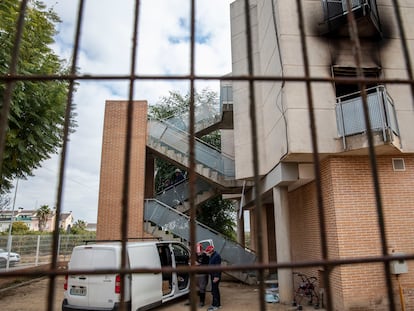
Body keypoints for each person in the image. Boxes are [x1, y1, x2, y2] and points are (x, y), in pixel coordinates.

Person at [205, 245, 221, 311]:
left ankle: (216, 306)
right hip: (213, 275)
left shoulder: (216, 256)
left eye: (208, 252)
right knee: (214, 290)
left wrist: (216, 277)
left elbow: (218, 267)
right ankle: (215, 304)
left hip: (215, 276)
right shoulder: (212, 255)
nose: (207, 253)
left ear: (211, 251)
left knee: (215, 291)